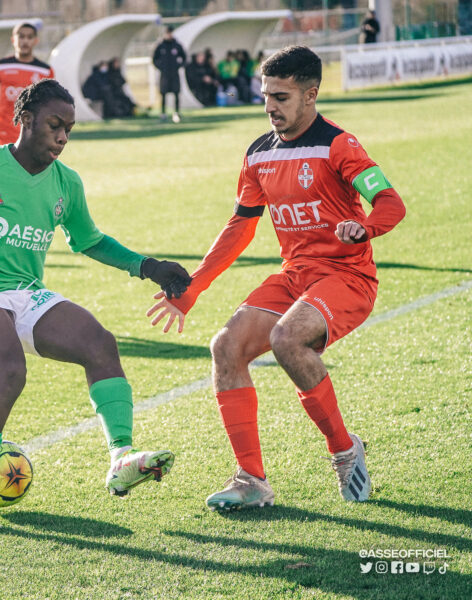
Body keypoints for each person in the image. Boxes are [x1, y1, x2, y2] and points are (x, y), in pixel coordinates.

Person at [0, 80, 192, 529]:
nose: (63, 137)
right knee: (9, 370)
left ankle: (121, 456)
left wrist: (148, 266)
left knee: (99, 343)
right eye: (54, 125)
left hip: (25, 291)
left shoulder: (67, 182)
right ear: (24, 121)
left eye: (69, 128)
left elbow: (90, 240)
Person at [147, 46, 406, 511]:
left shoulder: (339, 145)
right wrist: (190, 292)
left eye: (281, 97)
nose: (270, 107)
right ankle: (251, 481)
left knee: (288, 338)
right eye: (265, 95)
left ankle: (345, 451)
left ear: (311, 95)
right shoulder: (258, 153)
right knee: (226, 346)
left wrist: (364, 227)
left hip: (347, 277)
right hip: (295, 276)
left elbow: (390, 203)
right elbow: (240, 227)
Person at [152, 24, 187, 123]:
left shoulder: (177, 45)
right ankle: (163, 113)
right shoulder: (160, 46)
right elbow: (154, 59)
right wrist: (161, 67)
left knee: (176, 93)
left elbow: (184, 57)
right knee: (163, 94)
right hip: (164, 74)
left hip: (174, 74)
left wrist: (179, 66)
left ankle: (176, 113)